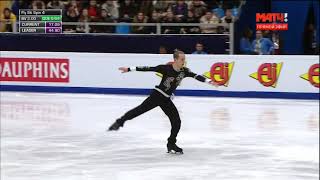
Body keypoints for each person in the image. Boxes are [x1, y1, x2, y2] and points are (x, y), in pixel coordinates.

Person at [108, 50, 218, 154]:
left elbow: (196, 76)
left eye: (184, 59)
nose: (183, 61)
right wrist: (129, 69)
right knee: (139, 110)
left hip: (166, 99)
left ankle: (171, 144)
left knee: (177, 122)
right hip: (157, 95)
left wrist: (209, 81)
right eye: (181, 59)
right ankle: (119, 122)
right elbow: (148, 68)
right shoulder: (165, 68)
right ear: (175, 60)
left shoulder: (184, 71)